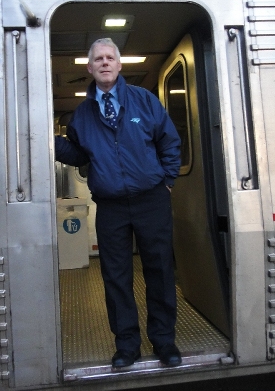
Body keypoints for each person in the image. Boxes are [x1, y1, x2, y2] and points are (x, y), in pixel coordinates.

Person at [55, 38, 182, 368]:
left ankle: (164, 342)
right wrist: (50, 142)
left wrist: (167, 180)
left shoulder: (144, 101)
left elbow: (169, 141)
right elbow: (81, 154)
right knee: (115, 276)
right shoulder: (83, 114)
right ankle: (127, 344)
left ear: (120, 64)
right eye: (98, 59)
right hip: (110, 207)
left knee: (160, 270)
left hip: (151, 200)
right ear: (90, 67)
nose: (105, 62)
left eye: (111, 57)